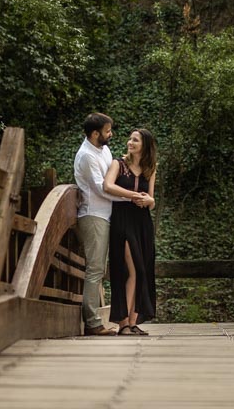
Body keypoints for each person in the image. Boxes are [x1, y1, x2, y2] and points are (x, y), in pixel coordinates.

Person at [103, 128, 157, 335]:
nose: (130, 142)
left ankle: (132, 323)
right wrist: (133, 195)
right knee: (132, 270)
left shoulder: (150, 169)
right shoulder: (118, 163)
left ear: (145, 145)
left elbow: (151, 201)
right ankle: (123, 323)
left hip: (143, 222)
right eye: (130, 139)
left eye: (135, 140)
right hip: (122, 219)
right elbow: (107, 185)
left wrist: (149, 201)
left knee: (142, 270)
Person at [73, 113, 122, 336]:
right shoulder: (86, 156)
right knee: (95, 269)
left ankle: (95, 320)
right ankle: (92, 323)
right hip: (93, 216)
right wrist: (131, 197)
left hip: (106, 215)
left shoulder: (104, 150)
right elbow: (102, 188)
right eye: (107, 131)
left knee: (100, 268)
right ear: (95, 133)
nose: (110, 134)